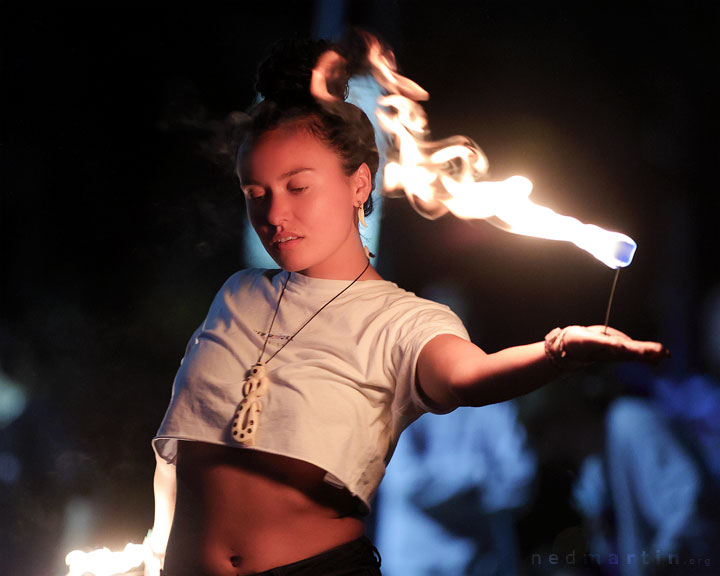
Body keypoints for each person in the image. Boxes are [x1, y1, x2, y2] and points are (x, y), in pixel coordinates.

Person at [147, 39, 668, 576]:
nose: (274, 213)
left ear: (359, 184)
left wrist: (558, 351)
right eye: (255, 192)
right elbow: (186, 458)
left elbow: (470, 377)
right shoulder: (237, 293)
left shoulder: (403, 320)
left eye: (298, 186)